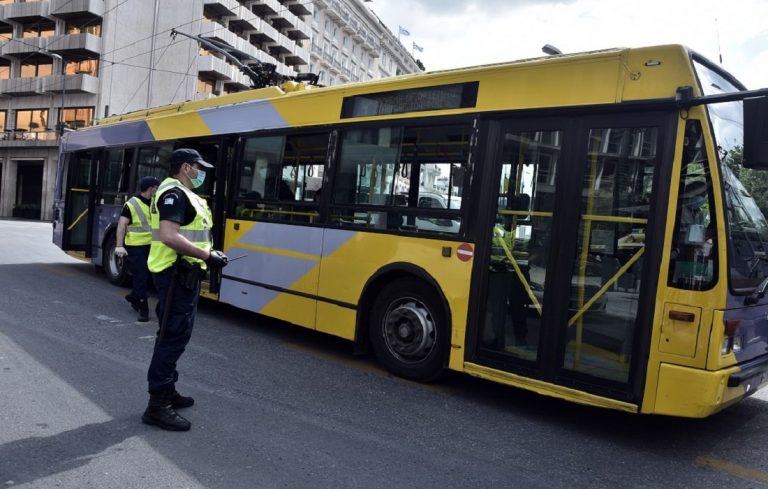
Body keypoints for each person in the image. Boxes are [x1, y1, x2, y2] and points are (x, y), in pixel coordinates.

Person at [142, 148, 229, 431]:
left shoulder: (183, 193)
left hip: (184, 274)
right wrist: (207, 257)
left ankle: (168, 390)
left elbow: (192, 233)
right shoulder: (173, 193)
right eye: (197, 167)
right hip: (174, 274)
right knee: (172, 336)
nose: (200, 172)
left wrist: (209, 251)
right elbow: (169, 236)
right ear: (184, 167)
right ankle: (157, 406)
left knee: (176, 334)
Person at [114, 176, 160, 322]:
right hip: (136, 247)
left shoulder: (155, 202)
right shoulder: (131, 204)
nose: (158, 190)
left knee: (151, 277)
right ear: (151, 188)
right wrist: (119, 246)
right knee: (141, 277)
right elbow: (122, 225)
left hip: (153, 246)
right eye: (156, 187)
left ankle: (134, 296)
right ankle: (143, 309)